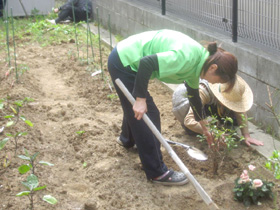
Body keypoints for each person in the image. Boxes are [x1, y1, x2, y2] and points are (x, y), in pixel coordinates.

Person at [107, 29, 238, 186]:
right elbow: (146, 63)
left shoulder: (199, 62)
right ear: (213, 68)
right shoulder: (186, 58)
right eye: (216, 81)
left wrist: (205, 126)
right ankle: (157, 173)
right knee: (149, 114)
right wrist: (140, 99)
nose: (213, 84)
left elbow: (193, 95)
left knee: (134, 107)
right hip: (124, 62)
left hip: (126, 57)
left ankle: (127, 140)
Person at [172, 75, 264, 147]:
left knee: (233, 120)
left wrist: (246, 135)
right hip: (184, 104)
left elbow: (240, 110)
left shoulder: (233, 85)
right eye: (229, 103)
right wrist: (214, 133)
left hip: (209, 101)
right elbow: (189, 121)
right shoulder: (203, 92)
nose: (233, 106)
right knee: (195, 129)